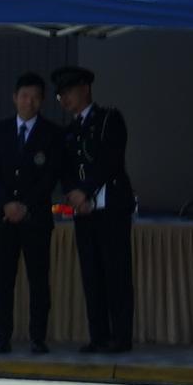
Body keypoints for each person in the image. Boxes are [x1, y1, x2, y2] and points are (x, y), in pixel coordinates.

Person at [0, 73, 66, 352]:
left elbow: (50, 175)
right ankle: (2, 336)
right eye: (25, 96)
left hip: (36, 216)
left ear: (42, 101)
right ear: (15, 98)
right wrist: (7, 203)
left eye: (36, 97)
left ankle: (38, 337)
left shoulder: (52, 133)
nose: (30, 102)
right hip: (3, 216)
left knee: (38, 279)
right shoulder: (0, 130)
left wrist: (25, 205)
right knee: (4, 280)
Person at [54, 65, 133, 354]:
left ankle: (121, 336)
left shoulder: (108, 119)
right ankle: (98, 334)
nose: (64, 99)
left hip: (110, 206)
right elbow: (64, 167)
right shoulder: (69, 131)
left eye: (69, 92)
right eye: (60, 94)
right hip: (83, 210)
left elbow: (111, 159)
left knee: (116, 272)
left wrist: (85, 190)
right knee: (92, 274)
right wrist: (73, 194)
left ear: (85, 88)